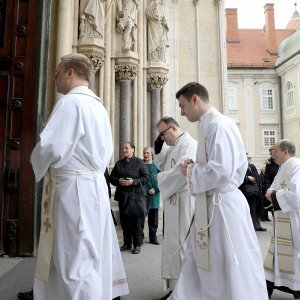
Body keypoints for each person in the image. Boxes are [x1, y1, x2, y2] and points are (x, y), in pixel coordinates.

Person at [30, 53, 128, 300]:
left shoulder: (70, 103)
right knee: (88, 256)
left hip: (73, 189)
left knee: (73, 261)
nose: (55, 77)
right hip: (93, 187)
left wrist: (34, 163)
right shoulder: (98, 105)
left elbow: (50, 147)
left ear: (70, 73)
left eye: (58, 72)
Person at [168, 82, 268, 299]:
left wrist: (191, 169)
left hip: (223, 208)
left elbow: (222, 170)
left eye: (183, 106)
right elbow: (217, 165)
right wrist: (196, 165)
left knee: (228, 261)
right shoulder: (209, 124)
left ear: (195, 99)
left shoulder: (219, 125)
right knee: (204, 260)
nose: (182, 112)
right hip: (212, 204)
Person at [153, 116, 197, 300]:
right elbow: (164, 165)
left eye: (162, 134)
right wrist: (158, 150)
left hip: (184, 201)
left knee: (183, 245)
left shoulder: (189, 145)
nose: (162, 139)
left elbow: (184, 172)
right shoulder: (174, 147)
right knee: (173, 246)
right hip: (174, 202)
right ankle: (175, 289)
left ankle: (185, 291)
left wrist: (160, 179)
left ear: (172, 129)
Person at [264, 139, 300, 299]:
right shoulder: (283, 167)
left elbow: (296, 195)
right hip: (281, 219)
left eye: (276, 151)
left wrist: (273, 195)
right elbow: (274, 185)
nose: (273, 155)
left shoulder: (297, 167)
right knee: (277, 251)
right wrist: (270, 192)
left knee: (294, 251)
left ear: (285, 151)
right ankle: (270, 283)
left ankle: (296, 286)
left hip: (293, 220)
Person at [110, 142, 149, 254]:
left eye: (126, 148)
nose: (124, 150)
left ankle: (137, 245)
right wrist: (118, 181)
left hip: (136, 197)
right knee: (125, 222)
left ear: (133, 149)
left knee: (136, 222)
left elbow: (146, 178)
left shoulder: (140, 162)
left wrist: (133, 181)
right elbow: (112, 178)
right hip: (123, 197)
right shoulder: (118, 164)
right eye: (123, 148)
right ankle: (127, 243)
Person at [239, 154, 266, 231]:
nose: (250, 159)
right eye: (248, 158)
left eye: (250, 158)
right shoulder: (240, 167)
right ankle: (248, 227)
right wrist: (247, 178)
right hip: (245, 192)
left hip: (255, 192)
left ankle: (256, 225)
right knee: (247, 210)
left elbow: (257, 178)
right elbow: (237, 178)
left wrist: (260, 188)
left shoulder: (252, 166)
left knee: (255, 209)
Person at [143, 146, 161, 245]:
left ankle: (153, 238)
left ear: (151, 155)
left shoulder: (157, 166)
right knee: (140, 219)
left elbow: (162, 180)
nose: (146, 155)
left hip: (154, 196)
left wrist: (155, 189)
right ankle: (139, 238)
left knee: (153, 220)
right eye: (144, 153)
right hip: (142, 196)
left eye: (148, 153)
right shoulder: (140, 165)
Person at [263, 145, 279, 221]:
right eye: (270, 153)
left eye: (273, 153)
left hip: (283, 189)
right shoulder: (269, 164)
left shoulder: (283, 162)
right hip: (273, 190)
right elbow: (267, 178)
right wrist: (268, 189)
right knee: (275, 212)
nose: (272, 155)